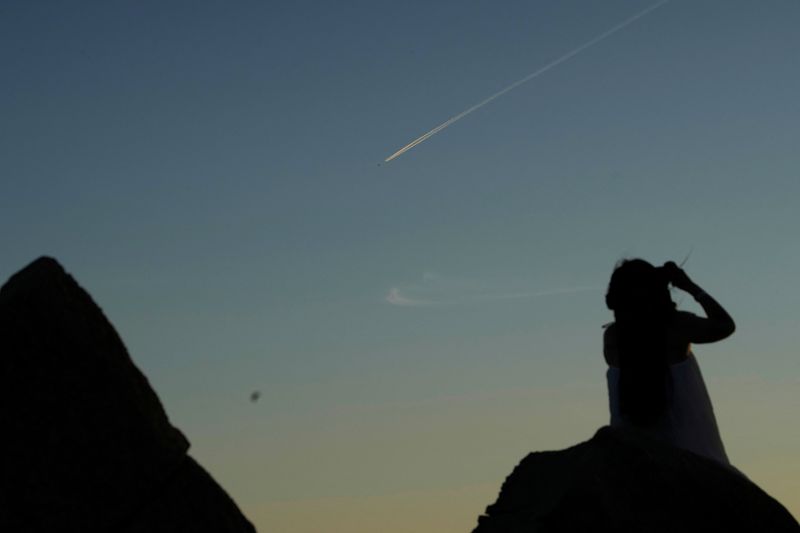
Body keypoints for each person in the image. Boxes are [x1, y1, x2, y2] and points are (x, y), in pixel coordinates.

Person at [604, 259, 736, 466]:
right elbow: (725, 325)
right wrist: (690, 287)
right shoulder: (678, 327)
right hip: (691, 450)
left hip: (632, 453)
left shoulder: (612, 337)